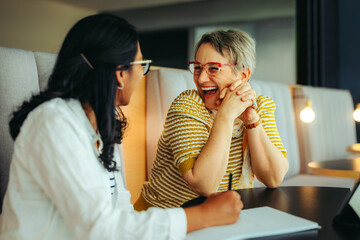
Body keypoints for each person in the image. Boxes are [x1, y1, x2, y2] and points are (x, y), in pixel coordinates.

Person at [0, 14, 243, 240]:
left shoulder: (104, 126)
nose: (141, 74)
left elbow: (121, 209)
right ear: (120, 74)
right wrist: (204, 215)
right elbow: (100, 228)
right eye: (141, 65)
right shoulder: (52, 124)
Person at [135, 29, 289, 210]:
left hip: (220, 215)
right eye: (198, 68)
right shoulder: (187, 105)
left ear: (243, 75)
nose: (201, 79)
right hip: (165, 219)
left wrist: (251, 121)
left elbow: (273, 178)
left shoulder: (259, 106)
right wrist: (225, 115)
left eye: (213, 69)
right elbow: (204, 185)